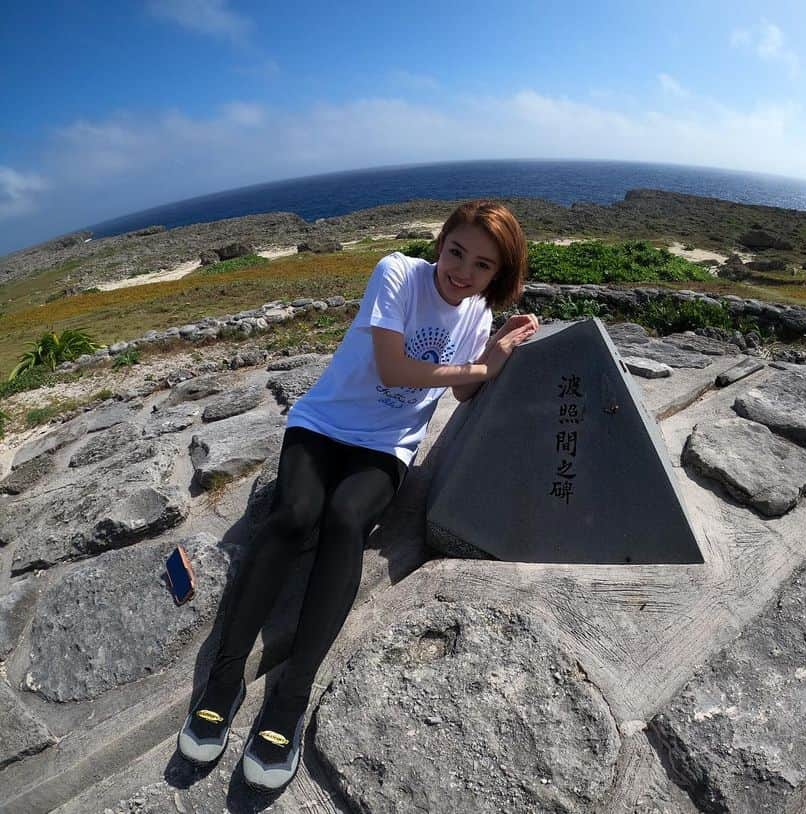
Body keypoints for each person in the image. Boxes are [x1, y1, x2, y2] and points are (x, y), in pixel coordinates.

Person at [177, 201, 538, 791]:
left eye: (482, 264)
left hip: (386, 446)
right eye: (455, 252)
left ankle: (289, 700)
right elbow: (396, 370)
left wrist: (497, 350)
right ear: (439, 243)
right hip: (321, 425)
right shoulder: (397, 272)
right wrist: (480, 370)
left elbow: (468, 396)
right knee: (294, 515)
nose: (463, 272)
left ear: (499, 273)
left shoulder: (476, 314)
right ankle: (224, 678)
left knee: (346, 519)